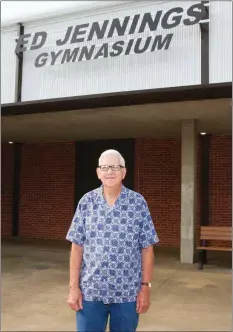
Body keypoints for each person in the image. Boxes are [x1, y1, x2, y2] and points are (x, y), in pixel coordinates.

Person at [66, 149, 159, 332]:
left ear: (124, 172)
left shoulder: (138, 203)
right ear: (98, 172)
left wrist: (145, 288)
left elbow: (147, 248)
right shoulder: (87, 202)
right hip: (91, 292)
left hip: (127, 294)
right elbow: (77, 247)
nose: (110, 172)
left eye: (115, 167)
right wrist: (73, 288)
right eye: (105, 167)